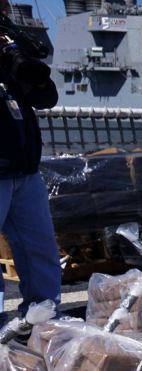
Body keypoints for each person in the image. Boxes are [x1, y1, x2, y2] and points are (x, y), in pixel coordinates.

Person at [0, 0, 61, 319]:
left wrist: (24, 66)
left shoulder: (8, 51)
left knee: (40, 250)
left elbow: (46, 98)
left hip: (24, 171)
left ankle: (45, 317)